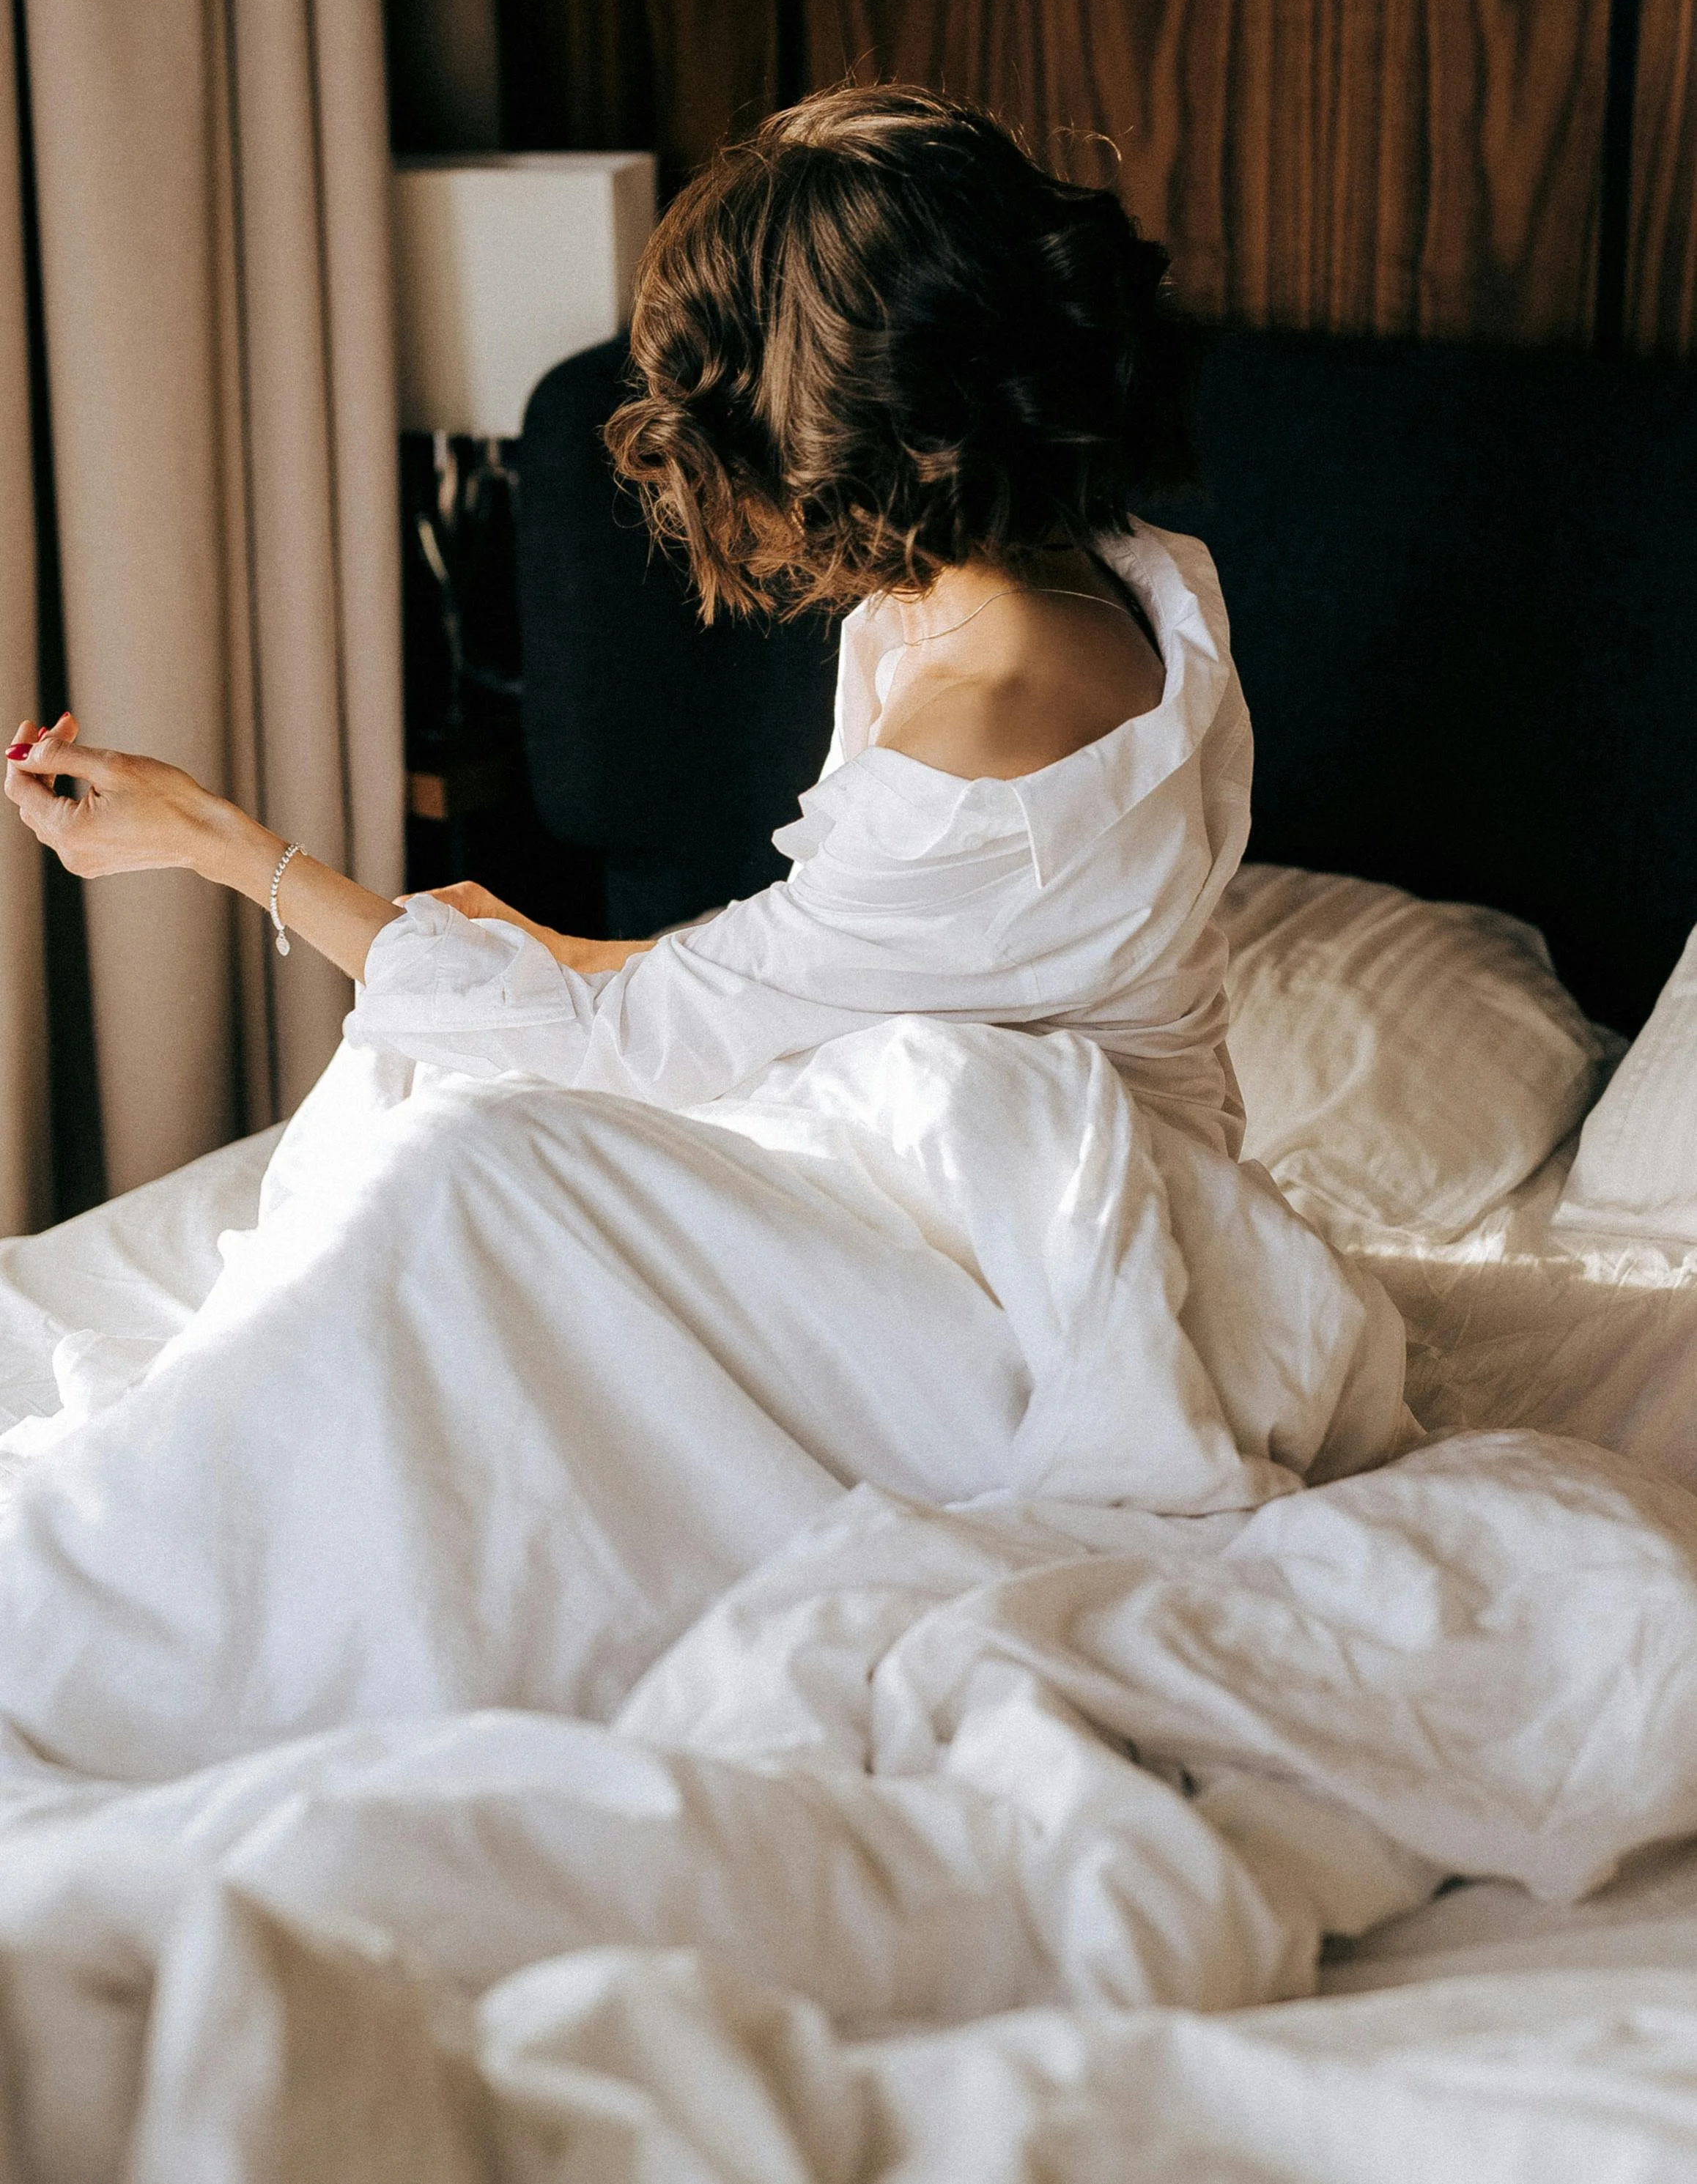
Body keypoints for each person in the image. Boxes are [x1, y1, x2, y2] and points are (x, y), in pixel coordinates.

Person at [0, 86, 1406, 1784]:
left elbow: (658, 1030)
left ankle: (117, 1601)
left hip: (1009, 1279)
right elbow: (814, 960)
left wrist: (227, 846)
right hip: (962, 1147)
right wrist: (528, 941)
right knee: (462, 1093)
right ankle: (201, 1509)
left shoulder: (980, 730)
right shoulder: (1102, 576)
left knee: (468, 1166)